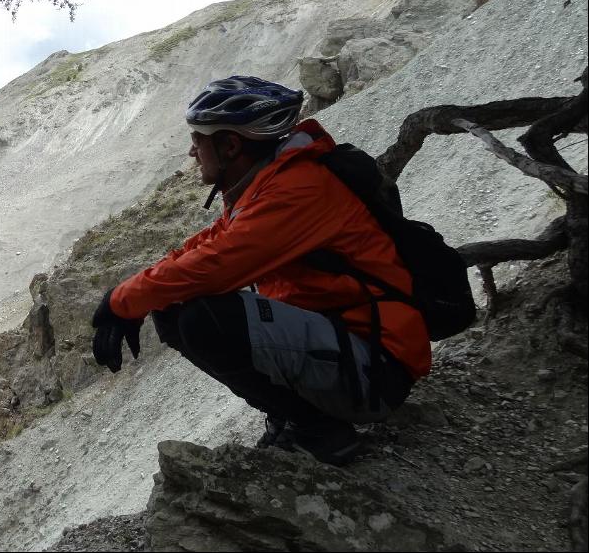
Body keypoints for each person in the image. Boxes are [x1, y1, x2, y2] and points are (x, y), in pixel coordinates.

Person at [90, 76, 428, 465]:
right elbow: (203, 247)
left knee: (205, 317)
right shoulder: (266, 187)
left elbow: (215, 265)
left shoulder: (297, 190)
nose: (191, 151)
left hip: (375, 370)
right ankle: (294, 418)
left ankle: (320, 432)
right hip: (348, 350)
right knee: (172, 307)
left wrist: (122, 302)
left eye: (198, 139)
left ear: (230, 144)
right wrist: (132, 298)